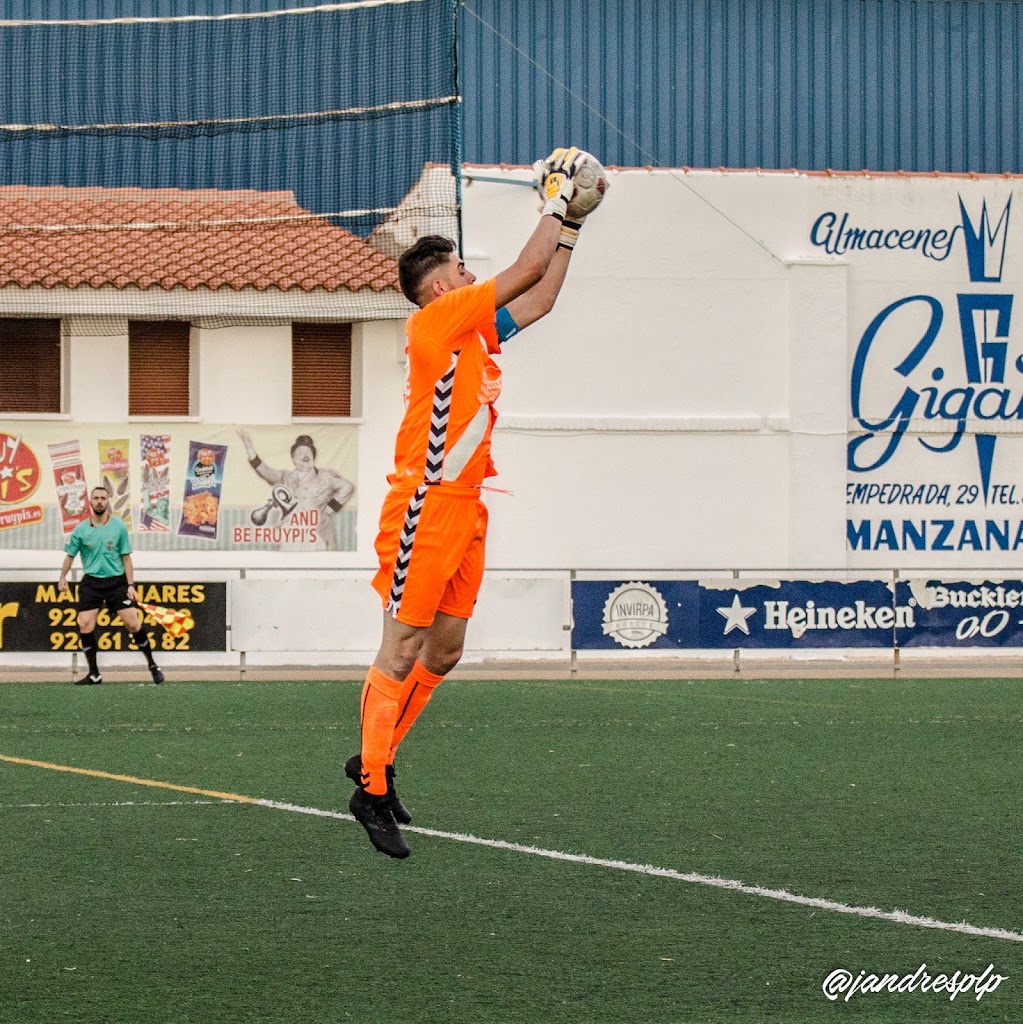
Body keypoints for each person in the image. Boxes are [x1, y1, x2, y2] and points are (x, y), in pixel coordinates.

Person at [346, 146, 600, 858]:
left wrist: (573, 226)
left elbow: (540, 299)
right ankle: (370, 788)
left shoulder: (472, 335)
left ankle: (375, 758)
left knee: (446, 649)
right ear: (440, 288)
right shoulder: (434, 322)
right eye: (460, 270)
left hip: (466, 505)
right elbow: (525, 270)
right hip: (423, 507)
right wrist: (555, 200)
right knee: (400, 647)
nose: (469, 275)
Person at [58, 485, 164, 686]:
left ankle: (152, 665)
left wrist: (130, 585)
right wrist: (62, 576)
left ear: (107, 502)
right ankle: (94, 674)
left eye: (103, 498)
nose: (99, 501)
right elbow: (70, 555)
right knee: (85, 624)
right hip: (91, 582)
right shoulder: (80, 529)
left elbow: (126, 558)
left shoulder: (119, 527)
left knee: (133, 624)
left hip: (116, 582)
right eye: (96, 498)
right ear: (90, 502)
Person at [237, 430, 355, 551]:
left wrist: (330, 509)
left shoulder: (325, 476)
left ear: (313, 457)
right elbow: (264, 470)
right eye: (300, 453)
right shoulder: (285, 477)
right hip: (291, 536)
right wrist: (249, 447)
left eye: (309, 452)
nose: (305, 455)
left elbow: (347, 487)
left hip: (318, 535)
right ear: (293, 458)